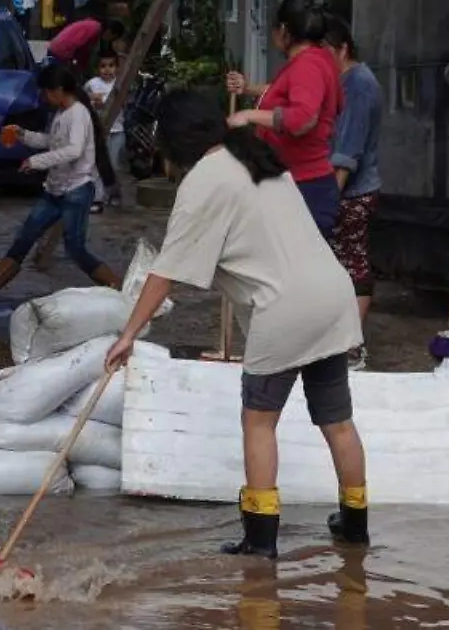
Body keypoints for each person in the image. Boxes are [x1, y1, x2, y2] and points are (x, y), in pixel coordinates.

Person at [104, 88, 370, 558]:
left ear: (176, 141)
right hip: (333, 295)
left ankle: (261, 538)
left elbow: (165, 272)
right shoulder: (257, 156)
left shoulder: (204, 180)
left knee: (259, 422)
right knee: (338, 421)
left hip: (284, 311)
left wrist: (128, 334)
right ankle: (354, 524)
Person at [0, 64, 121, 304]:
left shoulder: (78, 114)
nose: (45, 98)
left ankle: (118, 289)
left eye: (46, 93)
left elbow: (73, 150)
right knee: (25, 237)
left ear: (58, 90)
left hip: (76, 190)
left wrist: (37, 161)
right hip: (55, 190)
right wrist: (23, 134)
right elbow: (51, 141)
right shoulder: (61, 113)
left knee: (75, 248)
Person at [225, 0, 343, 240]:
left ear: (284, 31)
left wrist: (249, 115)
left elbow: (302, 119)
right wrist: (248, 88)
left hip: (304, 185)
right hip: (300, 182)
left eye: (274, 28)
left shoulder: (307, 65)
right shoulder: (314, 60)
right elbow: (284, 94)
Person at [325, 16, 382, 371]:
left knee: (353, 263)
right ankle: (340, 341)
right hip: (344, 188)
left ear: (343, 48)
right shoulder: (343, 80)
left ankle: (352, 347)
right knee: (340, 263)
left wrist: (330, 196)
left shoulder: (359, 85)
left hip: (353, 191)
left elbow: (348, 150)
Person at [84, 47, 126, 212]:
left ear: (116, 67)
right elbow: (82, 99)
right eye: (103, 66)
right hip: (98, 131)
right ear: (98, 68)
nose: (107, 70)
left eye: (111, 66)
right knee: (97, 166)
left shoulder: (120, 83)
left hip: (117, 130)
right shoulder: (92, 84)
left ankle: (114, 193)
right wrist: (92, 100)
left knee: (114, 165)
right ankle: (98, 198)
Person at [45, 16, 125, 76]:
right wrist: (74, 63)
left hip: (57, 47)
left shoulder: (95, 27)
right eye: (112, 38)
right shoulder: (95, 28)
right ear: (110, 32)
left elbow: (84, 51)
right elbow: (77, 44)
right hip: (61, 51)